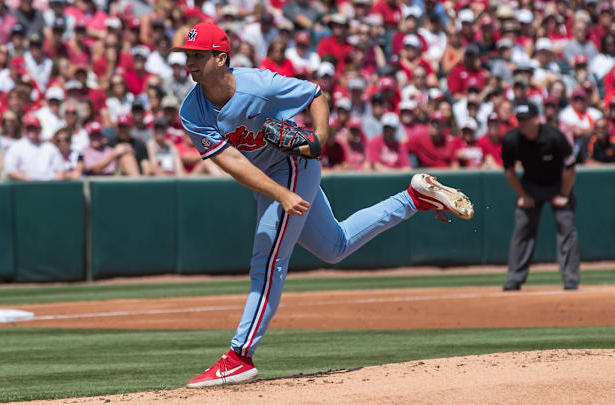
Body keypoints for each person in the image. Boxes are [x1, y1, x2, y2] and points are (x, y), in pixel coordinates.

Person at [174, 22, 473, 389]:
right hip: (272, 180)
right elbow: (232, 162)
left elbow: (315, 94)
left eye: (197, 55)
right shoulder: (192, 110)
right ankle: (413, 197)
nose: (189, 63)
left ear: (220, 58)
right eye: (187, 56)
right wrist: (278, 193)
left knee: (267, 261)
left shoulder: (259, 84)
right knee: (335, 246)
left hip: (293, 166)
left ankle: (240, 356)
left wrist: (320, 139)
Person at [501, 101, 580, 291]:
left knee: (566, 228)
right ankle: (514, 278)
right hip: (531, 185)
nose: (522, 124)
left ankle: (570, 279)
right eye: (519, 120)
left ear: (537, 119)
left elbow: (570, 168)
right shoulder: (512, 139)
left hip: (558, 184)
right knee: (522, 228)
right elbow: (509, 171)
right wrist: (522, 195)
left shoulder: (554, 137)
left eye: (526, 120)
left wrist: (564, 194)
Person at [3, 113, 64, 180]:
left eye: (34, 128)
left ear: (40, 129)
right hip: (25, 185)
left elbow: (60, 168)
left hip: (48, 184)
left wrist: (58, 178)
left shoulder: (49, 147)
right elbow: (10, 169)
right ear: (24, 129)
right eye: (29, 128)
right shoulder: (17, 146)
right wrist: (27, 179)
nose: (32, 131)